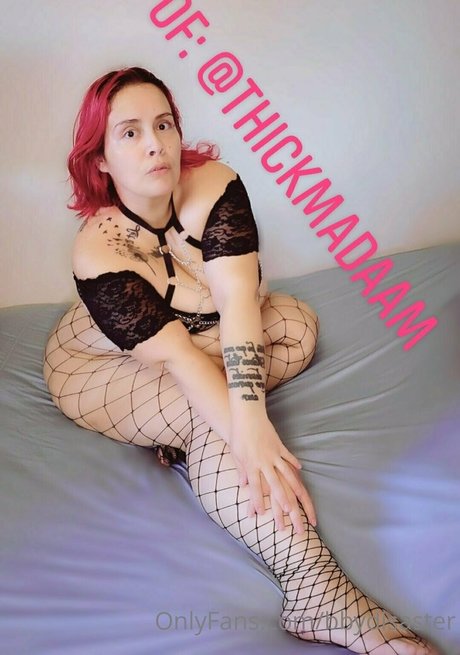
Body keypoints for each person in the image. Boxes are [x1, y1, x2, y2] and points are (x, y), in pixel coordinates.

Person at [43, 66, 438, 654]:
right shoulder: (97, 252)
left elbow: (236, 302)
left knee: (298, 327)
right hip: (96, 364)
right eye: (129, 132)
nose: (155, 144)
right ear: (99, 159)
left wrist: (249, 414)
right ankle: (317, 594)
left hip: (196, 331)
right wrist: (248, 430)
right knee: (208, 415)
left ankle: (182, 432)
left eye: (164, 124)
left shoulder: (215, 185)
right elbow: (180, 360)